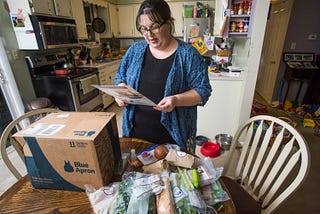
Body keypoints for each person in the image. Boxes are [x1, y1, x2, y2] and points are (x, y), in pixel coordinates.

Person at [114, 0, 212, 150]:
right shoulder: (135, 50)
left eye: (155, 27)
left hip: (172, 137)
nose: (149, 34)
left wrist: (176, 100)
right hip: (136, 133)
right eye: (144, 28)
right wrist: (120, 91)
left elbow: (203, 90)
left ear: (169, 23)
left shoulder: (188, 54)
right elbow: (120, 75)